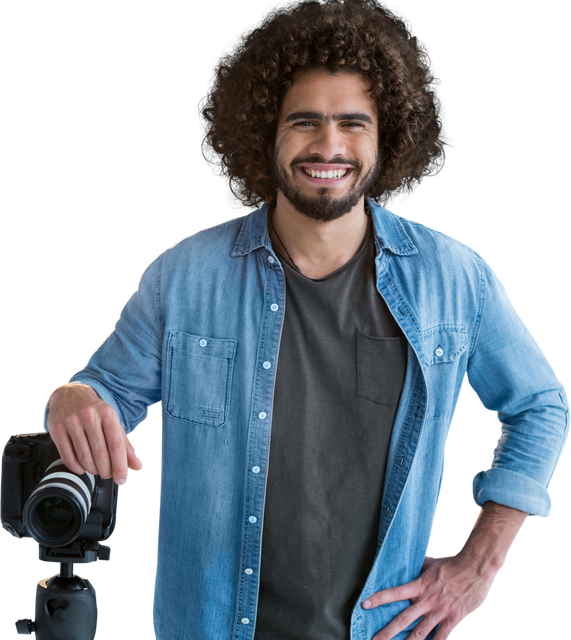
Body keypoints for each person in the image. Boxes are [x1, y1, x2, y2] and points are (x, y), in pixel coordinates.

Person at [42, 1, 569, 639]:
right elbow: (107, 398)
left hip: (381, 630)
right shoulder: (186, 274)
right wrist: (70, 397)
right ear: (266, 132)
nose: (328, 146)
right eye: (304, 122)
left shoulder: (454, 278)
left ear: (387, 137)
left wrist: (480, 563)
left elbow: (540, 405)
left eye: (353, 123)